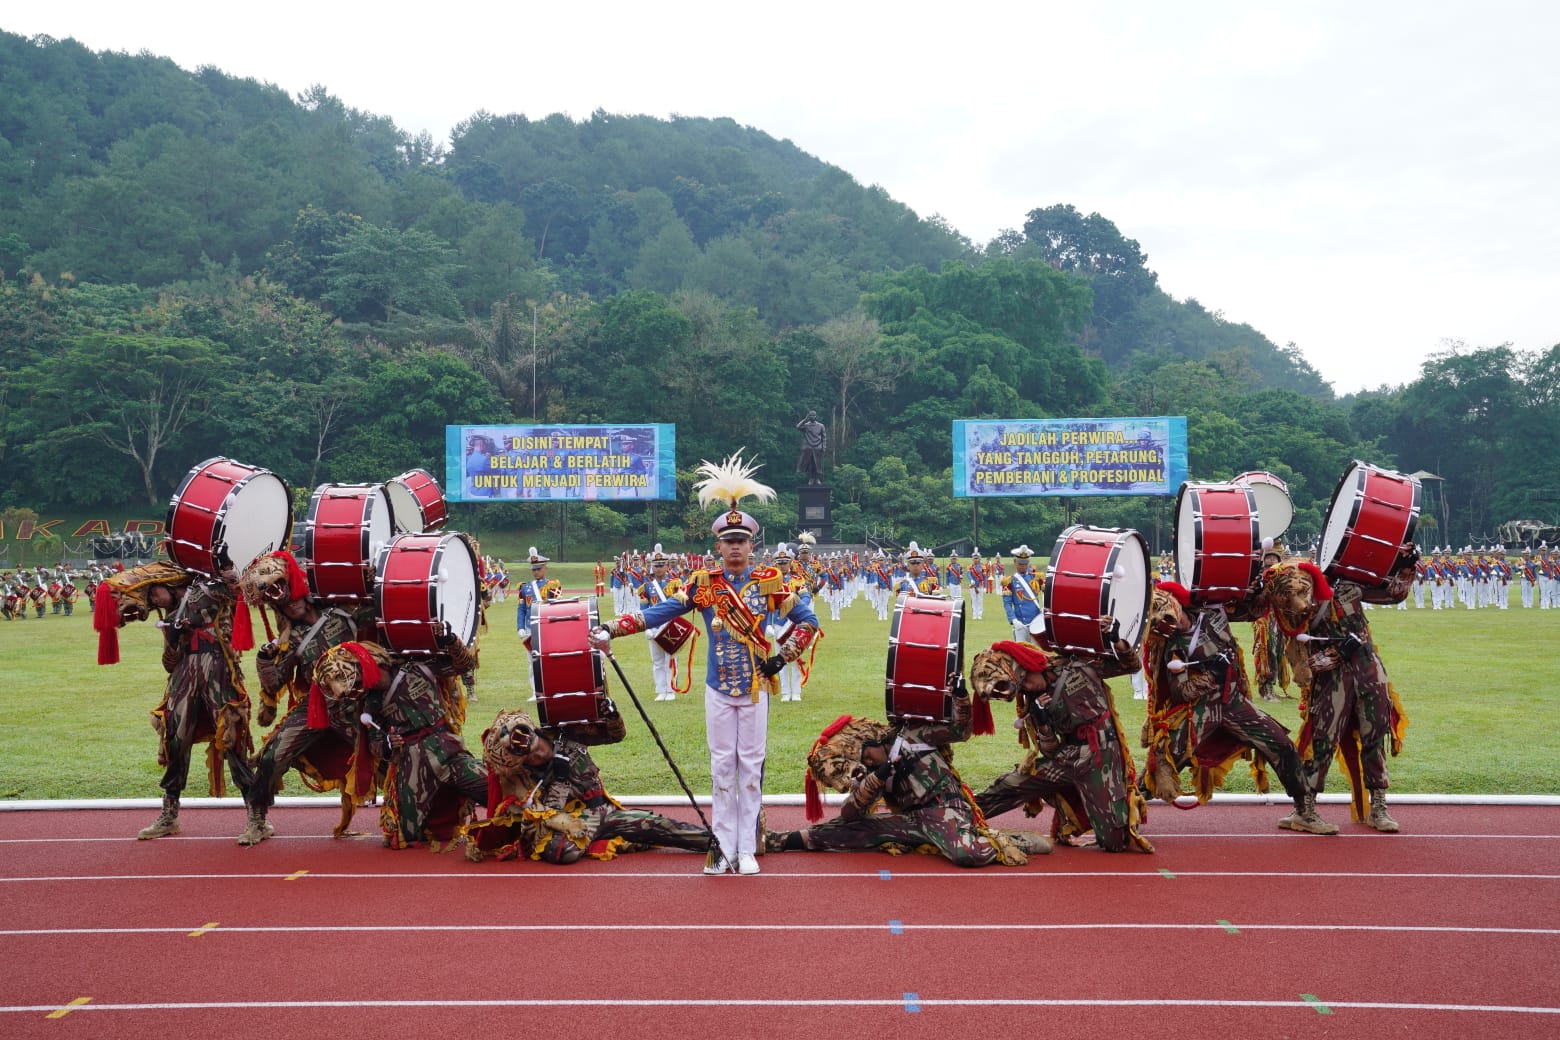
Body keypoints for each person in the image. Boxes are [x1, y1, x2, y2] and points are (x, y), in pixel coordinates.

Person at [591, 452, 820, 875]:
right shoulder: (703, 586)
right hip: (718, 689)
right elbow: (658, 613)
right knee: (720, 768)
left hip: (754, 690)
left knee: (750, 770)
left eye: (742, 541)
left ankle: (746, 847)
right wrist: (612, 628)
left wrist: (782, 657)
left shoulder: (770, 584)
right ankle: (722, 846)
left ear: (752, 544)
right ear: (718, 546)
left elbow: (808, 620)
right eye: (728, 542)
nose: (735, 548)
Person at [769, 685, 1048, 867]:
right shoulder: (873, 773)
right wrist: (876, 778)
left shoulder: (912, 735)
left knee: (965, 854)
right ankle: (779, 841)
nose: (867, 763)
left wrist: (961, 698)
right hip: (912, 820)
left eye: (868, 757)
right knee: (845, 829)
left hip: (945, 809)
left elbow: (961, 732)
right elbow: (852, 812)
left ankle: (1008, 841)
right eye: (863, 763)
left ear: (873, 740)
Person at [95, 562, 256, 840]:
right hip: (184, 675)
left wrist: (229, 571)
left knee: (231, 738)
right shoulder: (170, 613)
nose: (154, 599)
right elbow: (169, 663)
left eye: (155, 593)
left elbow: (237, 590)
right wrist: (172, 639)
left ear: (169, 584)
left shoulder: (209, 590)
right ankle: (169, 815)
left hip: (218, 669)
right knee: (175, 740)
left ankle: (257, 816)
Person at [1259, 558, 1409, 834]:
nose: (1300, 599)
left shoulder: (1347, 585)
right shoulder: (1295, 614)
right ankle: (1305, 809)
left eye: (1303, 590)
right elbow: (1302, 669)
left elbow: (1393, 594)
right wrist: (1335, 655)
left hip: (1369, 669)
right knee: (1322, 741)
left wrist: (1406, 566)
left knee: (1375, 735)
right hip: (1334, 679)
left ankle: (1378, 806)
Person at [1139, 581, 1308, 823]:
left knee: (1282, 746)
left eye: (1165, 611)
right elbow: (1179, 693)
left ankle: (1305, 810)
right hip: (1200, 712)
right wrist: (1213, 675)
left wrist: (1259, 587)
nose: (1166, 620)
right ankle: (1126, 813)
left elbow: (1256, 611)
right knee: (1163, 764)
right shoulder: (1174, 647)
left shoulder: (1211, 612)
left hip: (1235, 703)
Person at [969, 636, 1153, 853]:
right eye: (1023, 686)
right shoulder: (1033, 699)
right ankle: (959, 818)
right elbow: (1049, 749)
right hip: (1066, 757)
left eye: (1027, 679)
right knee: (1010, 785)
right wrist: (1043, 721)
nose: (1028, 687)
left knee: (1115, 843)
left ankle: (1107, 814)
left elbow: (1130, 665)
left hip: (1101, 755)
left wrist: (1117, 641)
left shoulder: (1077, 667)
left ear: (1028, 666)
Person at [464, 708, 712, 863]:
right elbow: (549, 816)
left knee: (662, 826)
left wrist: (611, 715)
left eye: (537, 746)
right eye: (530, 757)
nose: (538, 754)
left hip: (605, 809)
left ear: (537, 732)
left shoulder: (564, 733)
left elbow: (616, 735)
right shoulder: (522, 780)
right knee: (561, 852)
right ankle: (617, 837)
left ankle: (717, 843)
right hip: (576, 820)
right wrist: (559, 779)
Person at [236, 550, 365, 845]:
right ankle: (257, 821)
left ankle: (404, 817)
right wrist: (264, 661)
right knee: (272, 757)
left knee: (385, 754)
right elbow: (276, 681)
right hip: (316, 706)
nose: (286, 604)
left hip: (357, 702)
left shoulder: (345, 612)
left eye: (288, 596)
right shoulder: (289, 639)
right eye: (276, 602)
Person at [314, 640, 490, 849]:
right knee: (406, 835)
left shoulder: (418, 667)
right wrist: (388, 744)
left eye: (345, 677)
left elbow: (464, 665)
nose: (345, 690)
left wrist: (450, 641)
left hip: (448, 750)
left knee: (490, 789)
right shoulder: (371, 702)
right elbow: (375, 744)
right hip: (411, 764)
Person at [1001, 544, 1042, 643]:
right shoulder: (1009, 581)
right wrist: (1013, 620)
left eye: (1025, 563)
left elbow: (1048, 595)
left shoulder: (1036, 578)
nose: (1023, 566)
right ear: (1015, 562)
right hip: (1020, 622)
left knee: (1036, 652)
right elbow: (1007, 603)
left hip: (1036, 622)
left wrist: (1045, 608)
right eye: (1020, 563)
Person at [795, 411, 826, 485]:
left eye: (814, 415)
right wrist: (805, 419)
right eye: (811, 415)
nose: (812, 417)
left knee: (817, 464)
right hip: (808, 447)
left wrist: (824, 447)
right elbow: (798, 427)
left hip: (817, 447)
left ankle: (817, 478)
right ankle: (811, 478)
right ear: (809, 416)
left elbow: (824, 437)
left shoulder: (821, 426)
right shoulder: (806, 425)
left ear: (816, 416)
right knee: (810, 464)